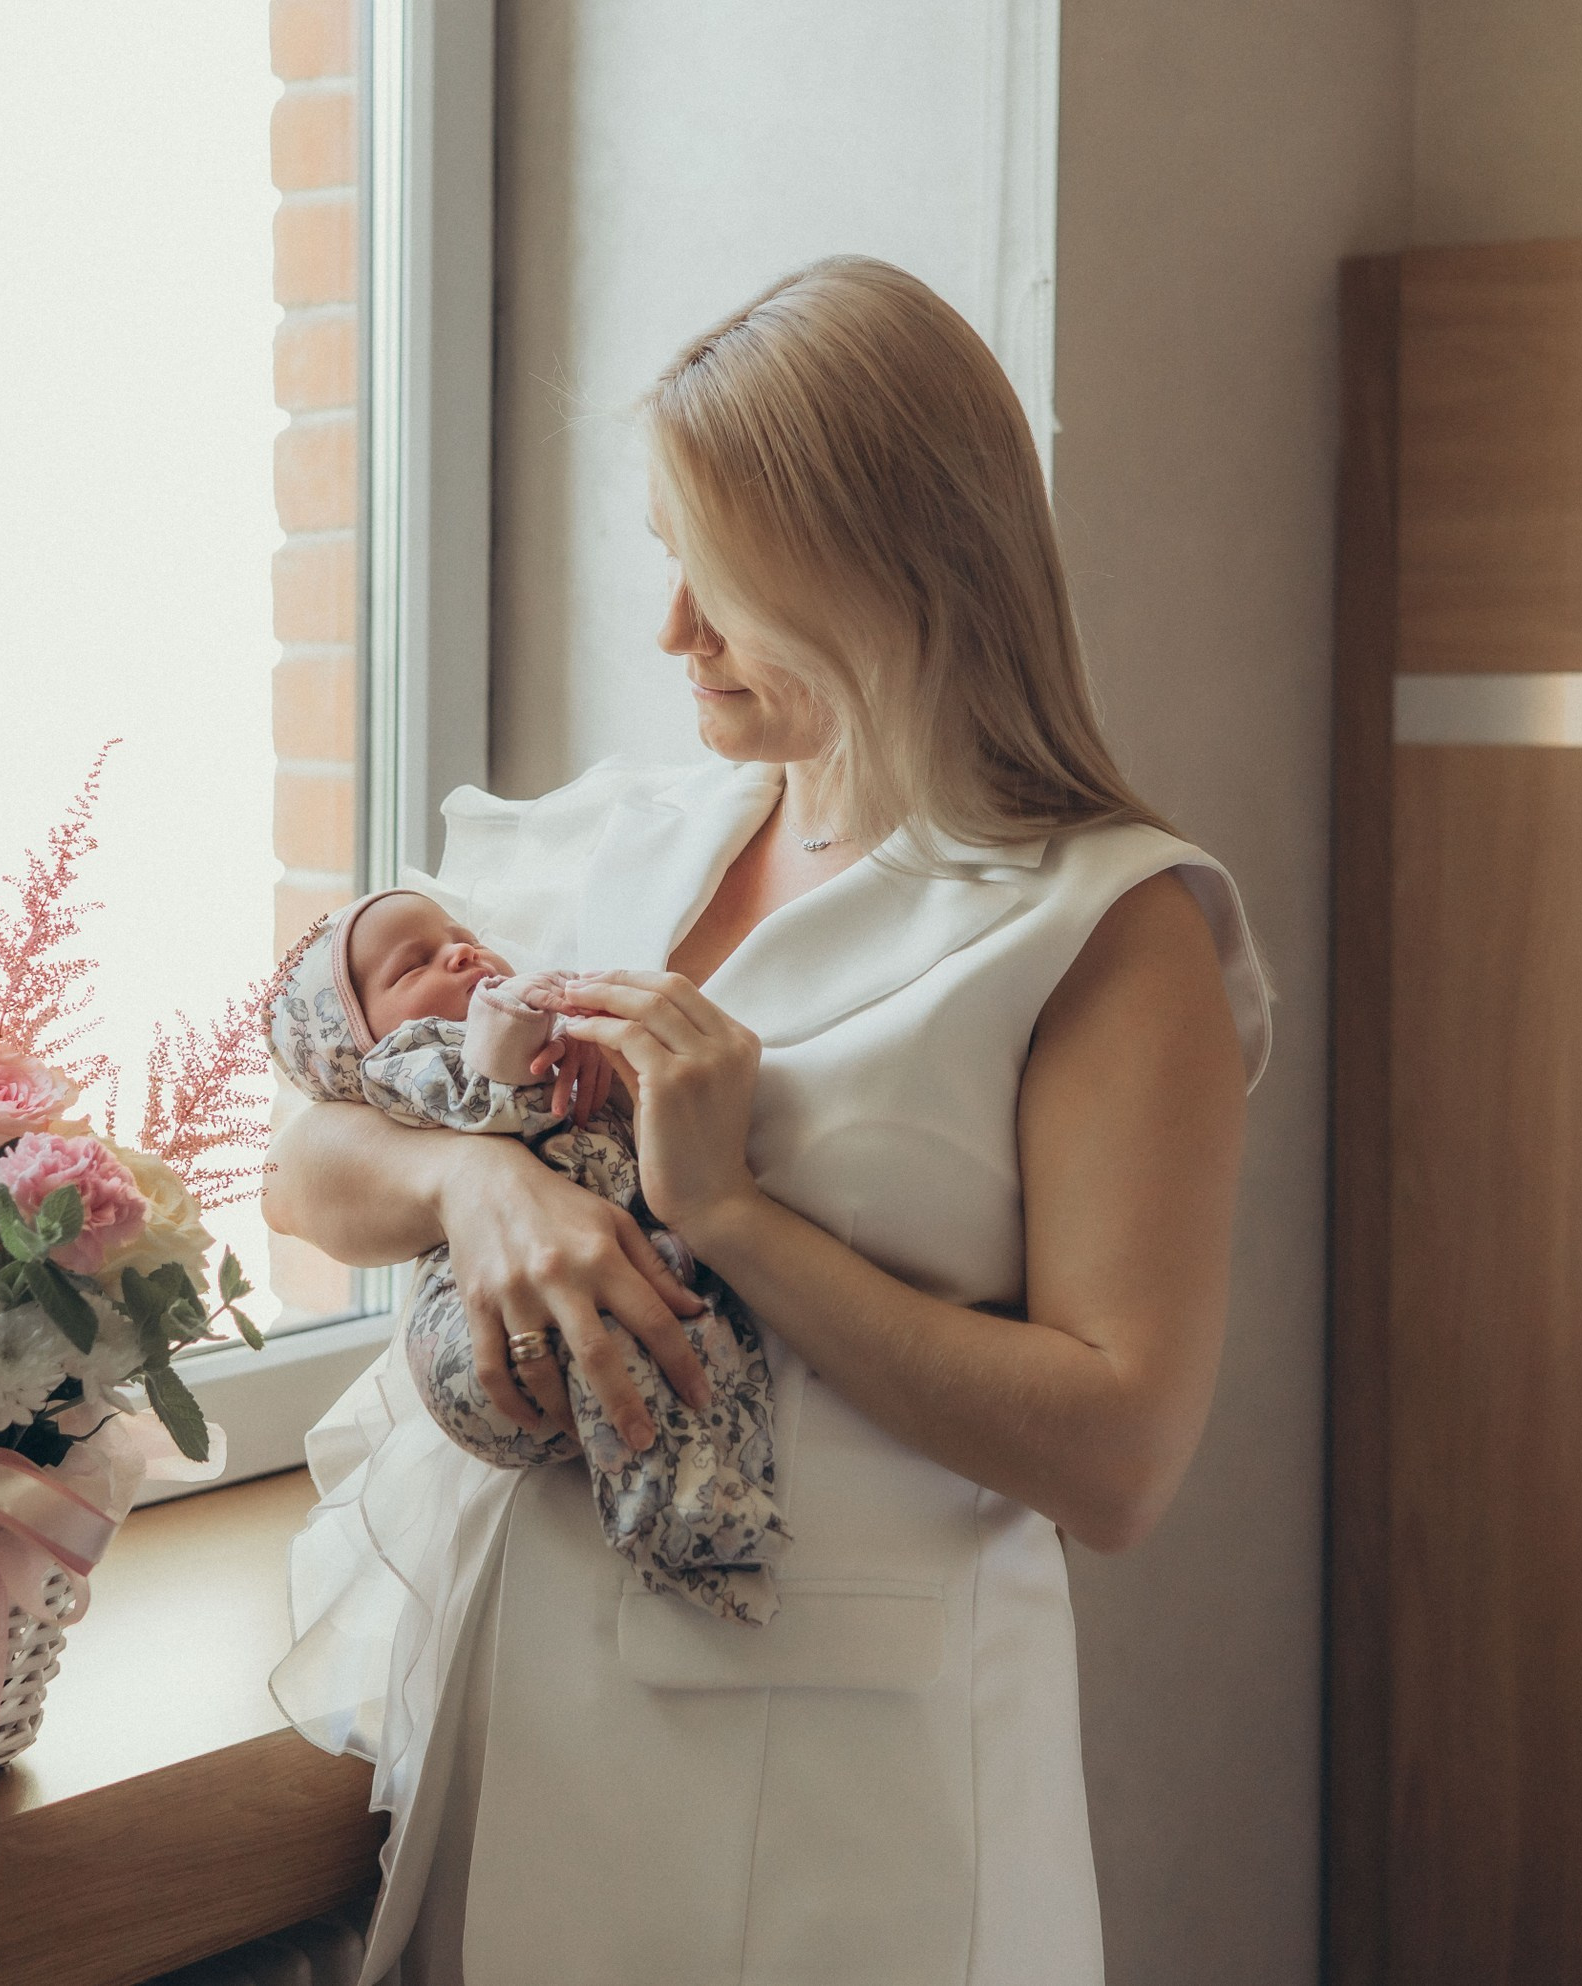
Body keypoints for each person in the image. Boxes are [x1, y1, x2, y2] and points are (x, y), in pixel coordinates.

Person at [263, 257, 1270, 1986]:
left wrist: (730, 1217)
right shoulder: (619, 836)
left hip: (845, 1814)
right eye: (671, 561)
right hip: (511, 1714)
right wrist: (480, 1183)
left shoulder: (1110, 930)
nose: (672, 633)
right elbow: (305, 1163)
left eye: (721, 586)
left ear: (890, 581)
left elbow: (1120, 1457)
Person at [265, 886, 789, 1625]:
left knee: (688, 1359)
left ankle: (706, 1522)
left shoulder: (525, 1035)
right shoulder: (410, 1066)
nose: (462, 951)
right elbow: (487, 1092)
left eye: (461, 933)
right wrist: (525, 1020)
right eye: (415, 964)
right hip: (481, 1332)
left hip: (593, 1273)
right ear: (354, 1045)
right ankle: (677, 1536)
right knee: (634, 1389)